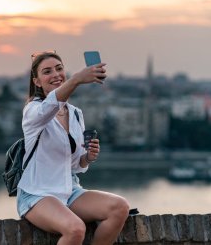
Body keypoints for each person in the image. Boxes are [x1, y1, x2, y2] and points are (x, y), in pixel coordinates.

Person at [17, 51, 130, 245]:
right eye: (47, 71)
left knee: (120, 208)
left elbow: (77, 164)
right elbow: (51, 105)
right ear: (37, 82)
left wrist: (88, 157)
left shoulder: (76, 114)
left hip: (69, 191)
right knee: (75, 229)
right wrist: (77, 79)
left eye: (59, 69)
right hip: (38, 193)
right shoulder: (34, 110)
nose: (55, 74)